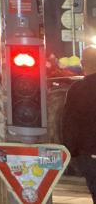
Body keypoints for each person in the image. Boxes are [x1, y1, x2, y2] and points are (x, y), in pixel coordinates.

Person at [62, 46, 96, 201]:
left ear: (83, 63)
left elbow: (69, 124)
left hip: (88, 153)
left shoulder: (77, 89)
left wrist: (71, 151)